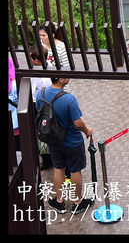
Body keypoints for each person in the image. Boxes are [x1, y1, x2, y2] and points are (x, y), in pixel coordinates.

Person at [36, 76, 94, 214]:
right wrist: (87, 131)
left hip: (53, 140)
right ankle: (77, 202)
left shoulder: (41, 93)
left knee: (58, 168)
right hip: (72, 141)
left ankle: (60, 202)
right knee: (75, 170)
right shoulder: (69, 99)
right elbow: (77, 123)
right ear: (61, 79)